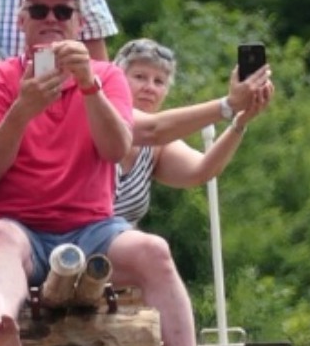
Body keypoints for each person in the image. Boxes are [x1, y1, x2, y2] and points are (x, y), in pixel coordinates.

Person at [0, 0, 199, 346]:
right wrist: (21, 112)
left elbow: (117, 150)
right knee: (1, 239)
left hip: (92, 227)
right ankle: (4, 323)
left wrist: (89, 85)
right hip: (18, 223)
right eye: (39, 11)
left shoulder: (108, 77)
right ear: (22, 21)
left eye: (62, 11)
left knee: (154, 250)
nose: (51, 20)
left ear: (79, 23)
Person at [113, 39, 275, 222]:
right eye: (140, 77)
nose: (149, 88)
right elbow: (152, 128)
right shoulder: (104, 115)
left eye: (159, 81)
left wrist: (240, 122)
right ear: (117, 80)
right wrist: (228, 105)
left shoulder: (156, 147)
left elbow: (201, 170)